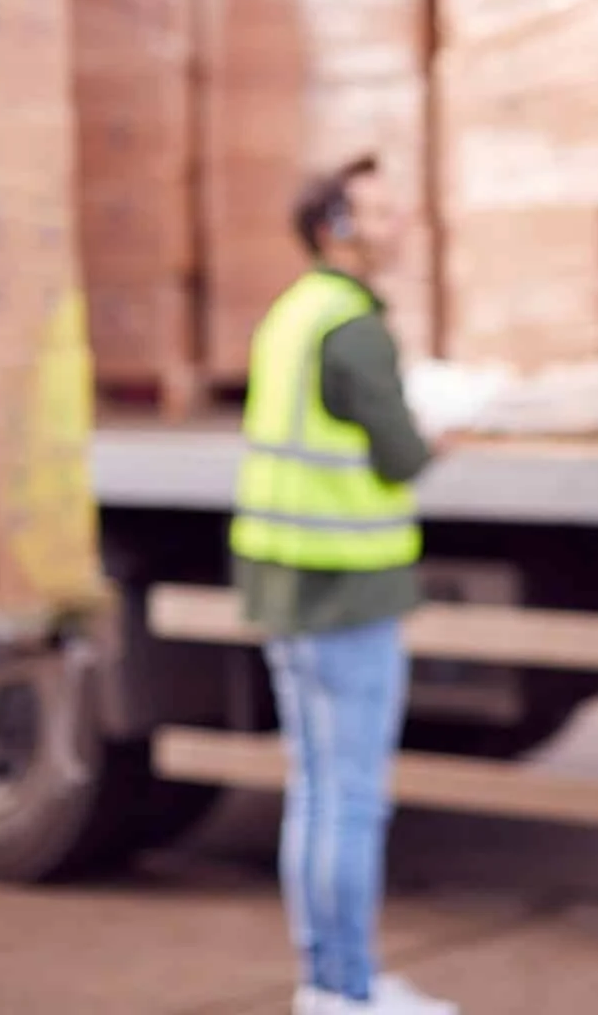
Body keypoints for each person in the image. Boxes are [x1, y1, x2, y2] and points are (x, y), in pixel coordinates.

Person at [229, 156, 459, 1015]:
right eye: (378, 212)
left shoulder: (294, 312)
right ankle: (348, 992)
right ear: (335, 229)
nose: (397, 226)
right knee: (351, 800)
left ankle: (328, 983)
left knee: (318, 792)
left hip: (286, 581)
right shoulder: (355, 326)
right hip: (345, 592)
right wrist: (439, 437)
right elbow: (399, 456)